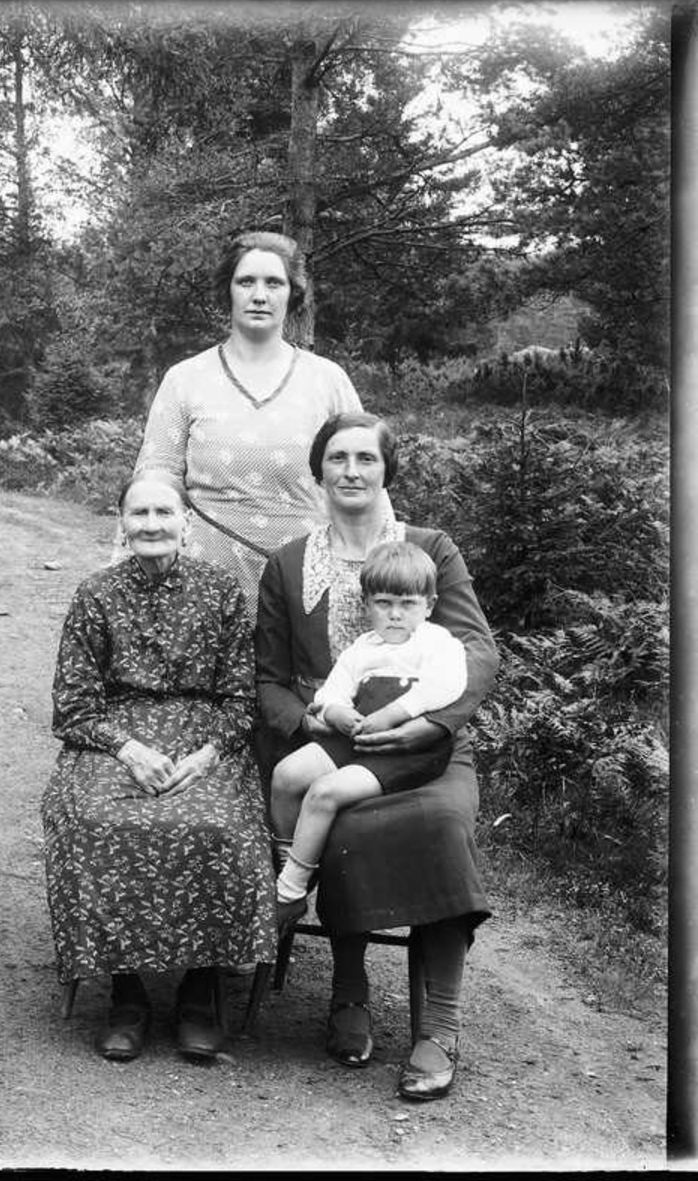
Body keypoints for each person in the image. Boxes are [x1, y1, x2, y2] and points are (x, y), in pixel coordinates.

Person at [254, 411, 499, 1101]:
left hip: (429, 747)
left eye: (366, 458)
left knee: (441, 826)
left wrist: (431, 725)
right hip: (332, 740)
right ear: (318, 470)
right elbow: (268, 680)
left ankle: (439, 1026)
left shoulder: (430, 550)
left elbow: (476, 651)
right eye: (338, 458)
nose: (352, 471)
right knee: (340, 822)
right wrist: (311, 719)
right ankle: (349, 991)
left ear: (388, 470)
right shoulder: (289, 562)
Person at [42, 471, 276, 1064]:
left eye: (164, 513)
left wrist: (207, 754)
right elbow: (72, 706)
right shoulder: (95, 594)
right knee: (93, 820)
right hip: (115, 740)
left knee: (220, 825)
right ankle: (127, 994)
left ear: (186, 522)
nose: (151, 524)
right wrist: (128, 750)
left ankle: (200, 989)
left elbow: (241, 700)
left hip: (204, 740)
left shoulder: (222, 591)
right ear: (122, 523)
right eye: (139, 513)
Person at [117, 229, 372, 619]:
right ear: (228, 291)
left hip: (308, 583)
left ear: (293, 293)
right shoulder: (186, 379)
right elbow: (155, 480)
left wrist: (387, 569)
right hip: (203, 587)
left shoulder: (327, 380)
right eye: (246, 281)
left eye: (274, 283)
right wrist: (131, 582)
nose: (259, 295)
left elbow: (368, 479)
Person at [270, 540, 468, 934]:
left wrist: (392, 714)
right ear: (366, 604)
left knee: (324, 793)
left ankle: (288, 894)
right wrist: (338, 713)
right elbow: (332, 692)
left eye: (407, 604)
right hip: (359, 734)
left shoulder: (437, 644)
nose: (395, 614)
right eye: (383, 603)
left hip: (408, 747)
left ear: (429, 605)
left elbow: (447, 687)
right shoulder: (363, 648)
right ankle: (292, 865)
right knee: (286, 775)